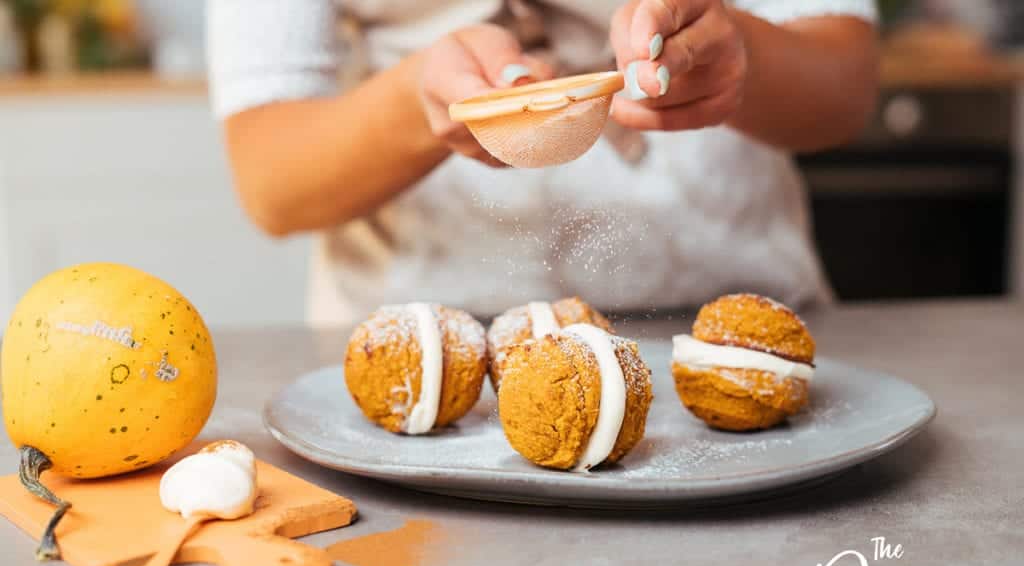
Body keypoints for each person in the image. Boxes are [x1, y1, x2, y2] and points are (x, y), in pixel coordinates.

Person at [208, 0, 879, 326]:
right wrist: (426, 102)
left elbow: (846, 86)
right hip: (423, 368)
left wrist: (742, 61)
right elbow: (274, 180)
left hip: (744, 333)